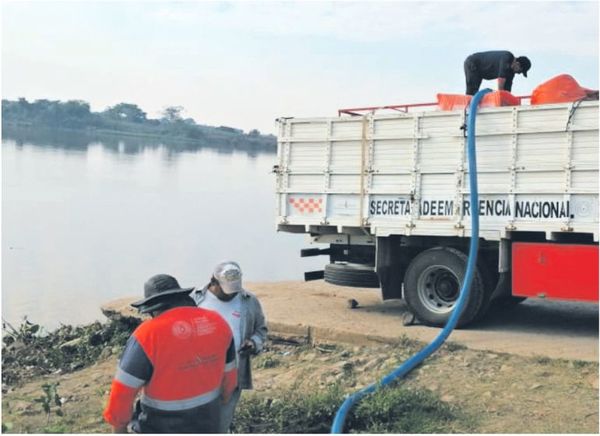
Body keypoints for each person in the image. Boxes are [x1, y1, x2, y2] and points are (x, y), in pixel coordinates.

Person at [103, 274, 237, 433]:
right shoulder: (218, 322)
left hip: (160, 425)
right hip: (208, 420)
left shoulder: (147, 335)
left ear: (153, 309)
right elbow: (230, 383)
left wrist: (119, 427)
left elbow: (122, 392)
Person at [192, 261, 268, 433]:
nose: (231, 295)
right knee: (196, 424)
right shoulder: (195, 301)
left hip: (232, 376)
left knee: (220, 425)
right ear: (213, 282)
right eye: (227, 291)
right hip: (198, 376)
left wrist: (253, 343)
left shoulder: (249, 301)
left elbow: (261, 330)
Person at [464, 51, 531, 95]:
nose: (519, 73)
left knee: (474, 92)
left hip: (481, 71)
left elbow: (507, 91)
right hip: (473, 63)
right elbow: (501, 79)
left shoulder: (511, 73)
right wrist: (500, 98)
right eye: (520, 71)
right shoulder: (507, 57)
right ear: (517, 64)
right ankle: (468, 110)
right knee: (472, 91)